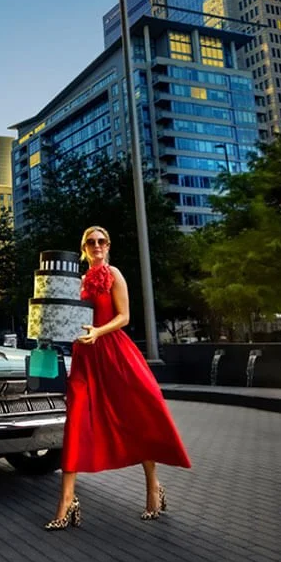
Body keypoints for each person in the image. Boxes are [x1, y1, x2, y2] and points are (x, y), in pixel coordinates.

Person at [45, 226, 192, 531]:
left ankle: (153, 487)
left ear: (108, 245)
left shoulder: (114, 274)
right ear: (83, 248)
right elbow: (63, 317)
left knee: (136, 418)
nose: (97, 245)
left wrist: (98, 331)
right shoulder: (77, 280)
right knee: (75, 421)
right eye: (91, 242)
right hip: (85, 358)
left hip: (114, 353)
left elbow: (124, 317)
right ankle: (66, 500)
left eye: (101, 241)